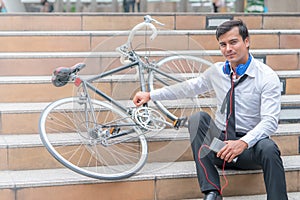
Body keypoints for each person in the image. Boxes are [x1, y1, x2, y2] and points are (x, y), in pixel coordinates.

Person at [132, 19, 288, 200]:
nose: (228, 49)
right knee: (198, 118)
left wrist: (242, 143)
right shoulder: (217, 71)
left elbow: (270, 121)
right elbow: (189, 87)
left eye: (233, 42)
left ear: (247, 41)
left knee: (269, 147)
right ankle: (212, 191)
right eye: (223, 44)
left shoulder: (267, 77)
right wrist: (151, 95)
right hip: (218, 148)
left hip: (248, 150)